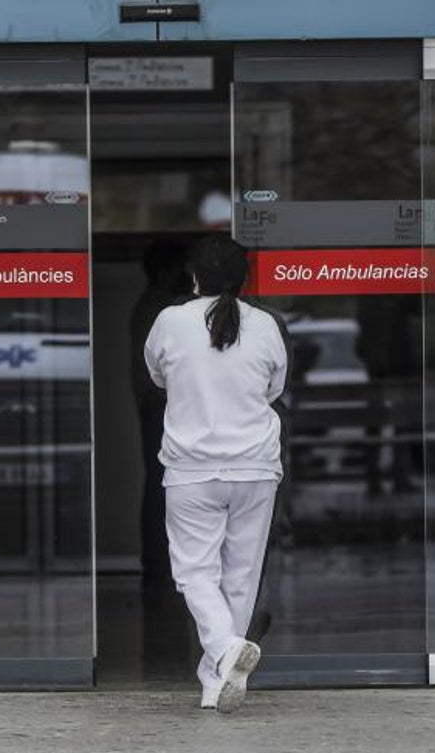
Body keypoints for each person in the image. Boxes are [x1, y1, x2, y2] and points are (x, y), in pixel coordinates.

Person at [144, 235, 288, 713]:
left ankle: (225, 651)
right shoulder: (265, 325)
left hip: (192, 469)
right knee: (241, 576)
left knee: (194, 572)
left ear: (194, 277)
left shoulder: (170, 321)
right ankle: (216, 680)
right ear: (245, 278)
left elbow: (158, 376)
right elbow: (274, 388)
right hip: (254, 467)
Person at [130, 239, 192, 579]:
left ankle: (158, 562)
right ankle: (158, 562)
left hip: (158, 405)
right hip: (160, 406)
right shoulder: (161, 310)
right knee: (161, 485)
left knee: (159, 484)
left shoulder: (153, 307)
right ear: (168, 270)